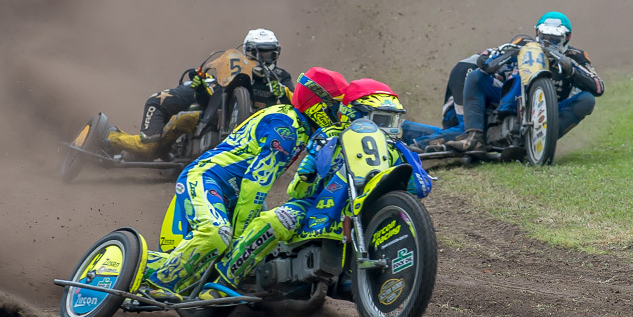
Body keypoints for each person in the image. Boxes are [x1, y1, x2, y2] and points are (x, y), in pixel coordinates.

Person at [197, 78, 433, 301]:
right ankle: (225, 282)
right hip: (312, 206)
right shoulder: (329, 135)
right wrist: (309, 174)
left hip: (361, 208)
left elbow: (419, 187)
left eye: (393, 121)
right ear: (357, 115)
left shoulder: (397, 148)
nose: (387, 128)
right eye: (381, 120)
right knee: (271, 222)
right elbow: (298, 190)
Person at [139, 67, 350, 300]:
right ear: (317, 103)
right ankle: (153, 285)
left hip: (234, 191)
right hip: (207, 177)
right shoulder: (287, 126)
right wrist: (242, 236)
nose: (340, 114)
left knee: (255, 241)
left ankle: (145, 264)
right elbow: (255, 182)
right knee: (217, 234)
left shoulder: (302, 128)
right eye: (336, 106)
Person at [104, 28, 294, 161]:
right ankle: (110, 136)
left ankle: (158, 150)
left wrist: (284, 93)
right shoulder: (235, 71)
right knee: (152, 144)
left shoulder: (282, 76)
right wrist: (201, 88)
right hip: (211, 119)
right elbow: (213, 101)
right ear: (249, 52)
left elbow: (297, 106)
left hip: (260, 131)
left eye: (269, 54)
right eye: (261, 54)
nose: (265, 59)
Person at [446, 11, 605, 152]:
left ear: (567, 38)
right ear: (537, 33)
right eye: (545, 37)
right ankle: (474, 137)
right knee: (475, 76)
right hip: (506, 96)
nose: (548, 43)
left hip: (549, 112)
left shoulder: (576, 56)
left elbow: (598, 87)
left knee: (587, 99)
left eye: (554, 39)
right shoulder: (523, 42)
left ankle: (540, 142)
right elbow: (486, 57)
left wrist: (571, 70)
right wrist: (499, 58)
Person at [402, 54, 480, 153]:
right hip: (474, 68)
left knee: (452, 131)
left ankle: (403, 129)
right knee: (470, 130)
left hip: (467, 67)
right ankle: (420, 143)